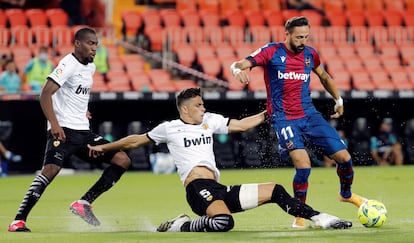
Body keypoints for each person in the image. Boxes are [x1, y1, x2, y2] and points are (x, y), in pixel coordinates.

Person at [88, 87, 352, 232]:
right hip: (196, 189)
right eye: (199, 105)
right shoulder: (169, 128)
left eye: (203, 105)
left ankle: (323, 218)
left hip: (218, 189)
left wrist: (266, 113)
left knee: (275, 190)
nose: (204, 108)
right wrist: (106, 148)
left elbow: (239, 125)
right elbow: (135, 140)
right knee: (224, 223)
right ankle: (180, 225)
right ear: (185, 108)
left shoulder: (210, 121)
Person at [229, 16, 366, 229]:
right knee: (303, 166)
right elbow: (240, 64)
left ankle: (345, 195)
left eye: (306, 37)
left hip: (309, 115)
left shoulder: (310, 54)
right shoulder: (272, 51)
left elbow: (325, 76)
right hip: (283, 119)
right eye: (299, 37)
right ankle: (300, 214)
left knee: (345, 158)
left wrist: (338, 100)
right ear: (288, 34)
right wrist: (237, 71)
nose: (303, 41)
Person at [8, 27, 131, 232]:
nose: (94, 49)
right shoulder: (68, 64)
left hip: (83, 132)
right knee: (51, 170)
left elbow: (76, 94)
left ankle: (83, 204)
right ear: (77, 43)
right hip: (63, 129)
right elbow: (45, 94)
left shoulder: (90, 67)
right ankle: (18, 221)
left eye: (96, 45)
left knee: (122, 159)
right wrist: (54, 124)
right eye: (90, 44)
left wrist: (84, 110)